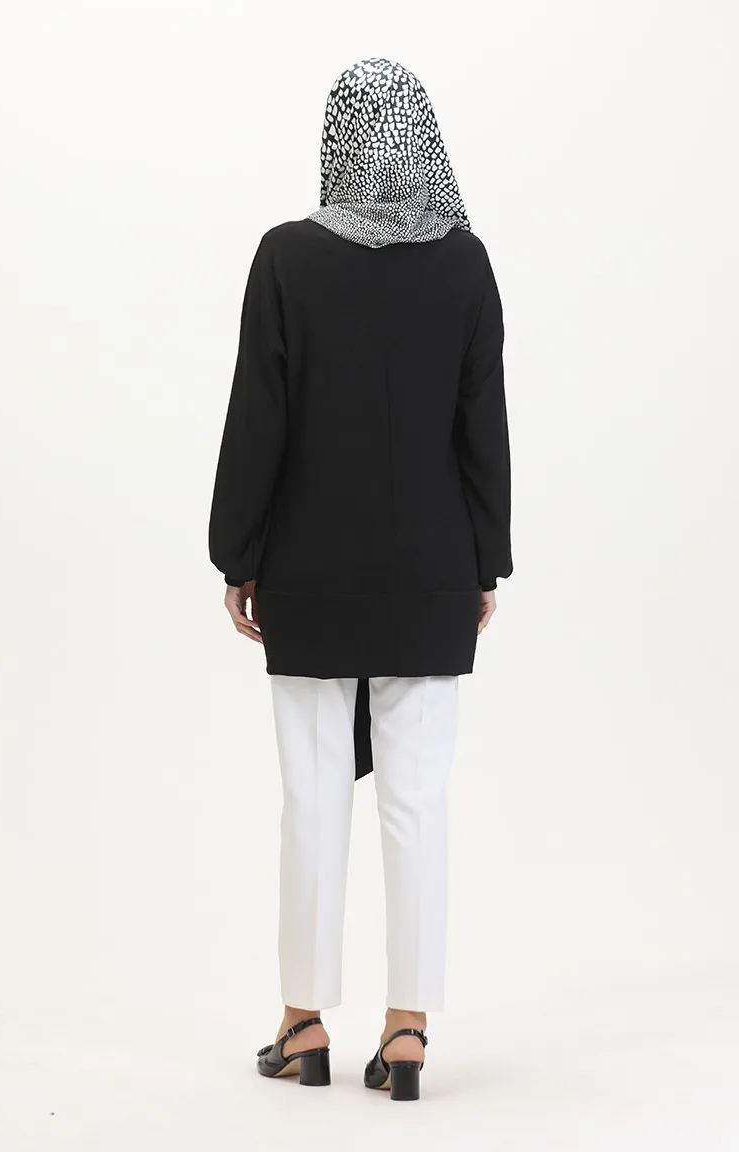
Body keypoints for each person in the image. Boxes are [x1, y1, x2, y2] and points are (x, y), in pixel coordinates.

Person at [208, 57, 512, 1101]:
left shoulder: (286, 259)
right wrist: (484, 558)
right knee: (418, 802)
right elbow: (481, 424)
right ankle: (408, 1030)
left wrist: (239, 554)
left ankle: (302, 1023)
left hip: (308, 571)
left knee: (310, 798)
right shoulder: (464, 264)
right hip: (431, 573)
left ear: (337, 142)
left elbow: (260, 415)